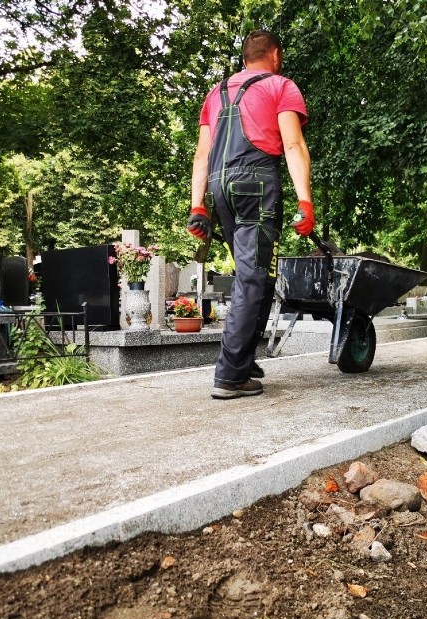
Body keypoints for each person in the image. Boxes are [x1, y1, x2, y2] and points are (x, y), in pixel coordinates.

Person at [188, 30, 314, 400]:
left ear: (245, 58)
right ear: (274, 54)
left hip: (219, 186)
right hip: (256, 183)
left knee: (260, 275)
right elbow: (293, 143)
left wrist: (199, 205)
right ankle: (229, 376)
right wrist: (304, 201)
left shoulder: (216, 92)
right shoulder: (281, 85)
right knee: (252, 278)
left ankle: (243, 359)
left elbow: (202, 155)